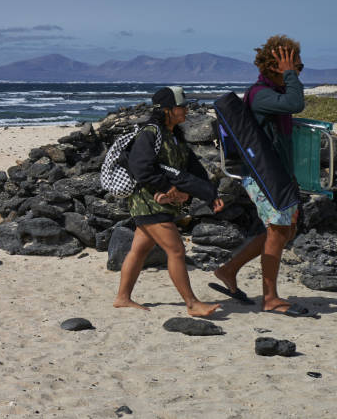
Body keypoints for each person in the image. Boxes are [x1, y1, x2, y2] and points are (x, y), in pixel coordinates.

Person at [210, 36, 310, 316]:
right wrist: (290, 75)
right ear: (277, 66)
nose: (299, 71)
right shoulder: (261, 94)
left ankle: (228, 270)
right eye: (295, 66)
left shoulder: (270, 93)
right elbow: (295, 102)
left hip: (277, 173)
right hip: (263, 175)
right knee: (278, 232)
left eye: (299, 67)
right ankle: (271, 298)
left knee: (283, 231)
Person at [114, 86, 224, 317]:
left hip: (159, 201)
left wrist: (209, 194)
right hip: (147, 201)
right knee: (176, 250)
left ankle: (122, 298)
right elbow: (141, 167)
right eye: (181, 106)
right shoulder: (150, 133)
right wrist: (168, 189)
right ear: (167, 110)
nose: (186, 109)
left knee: (140, 249)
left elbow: (193, 170)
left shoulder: (174, 135)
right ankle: (192, 304)